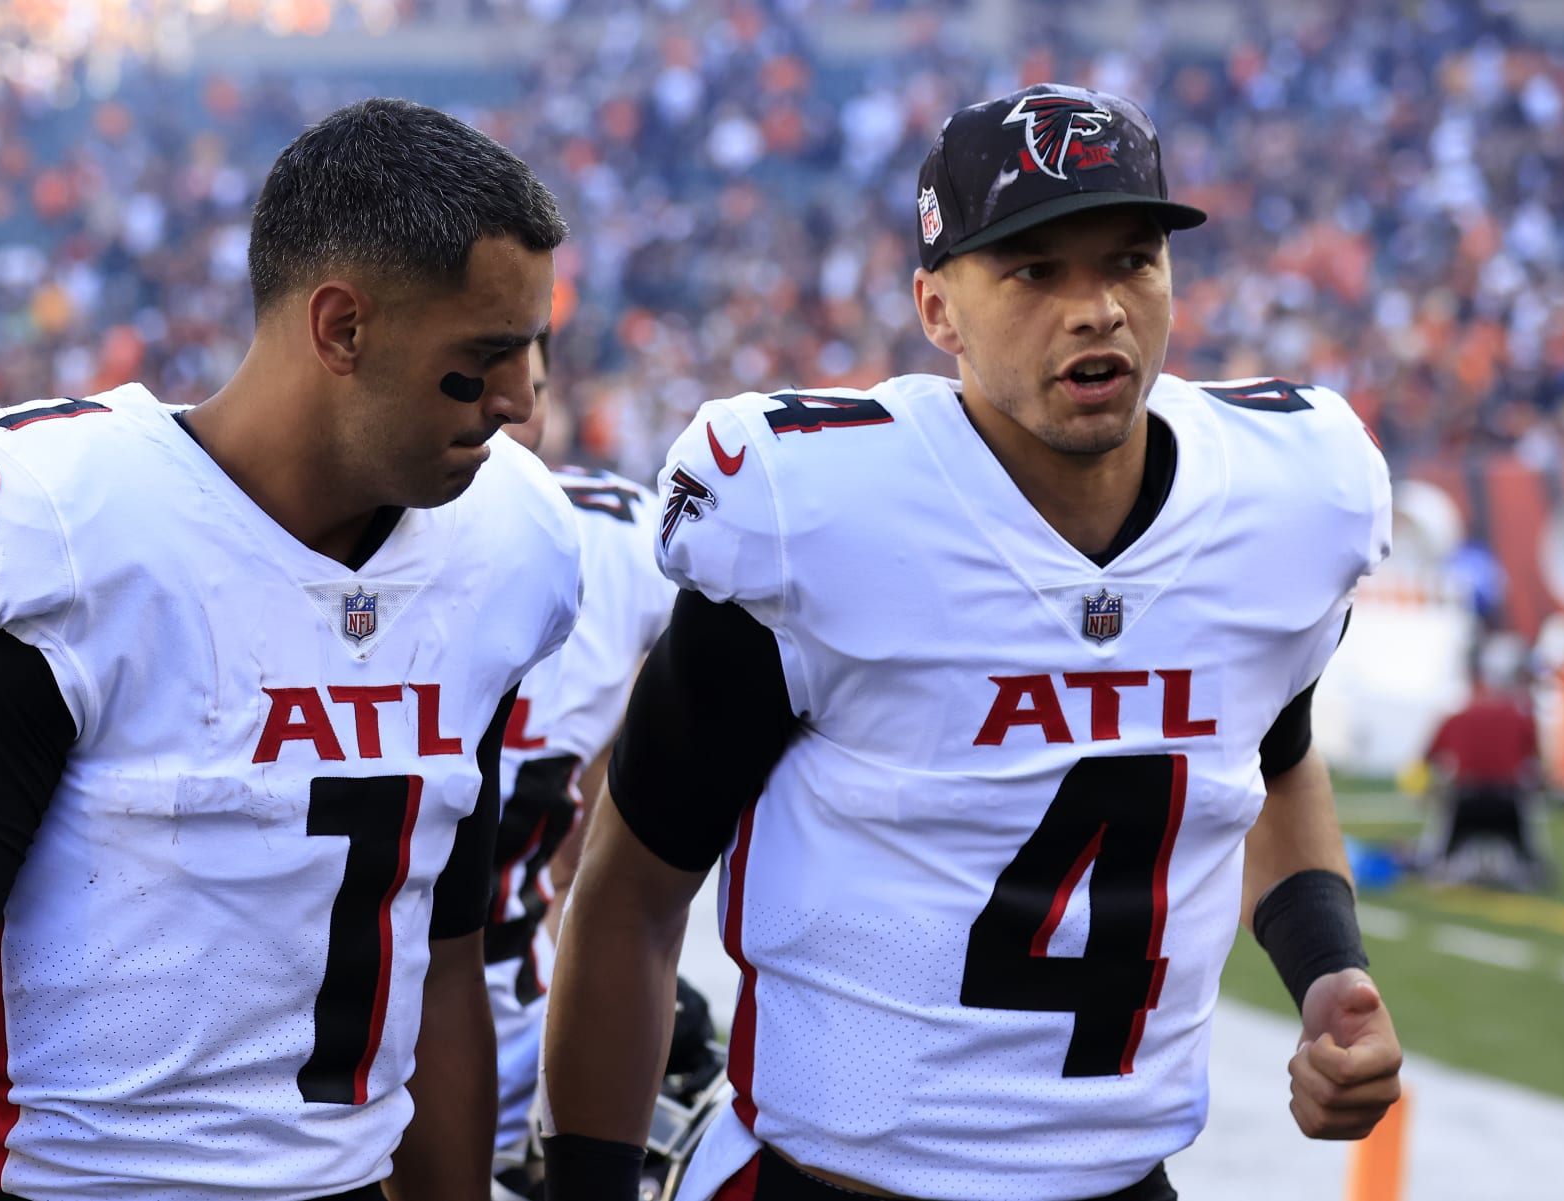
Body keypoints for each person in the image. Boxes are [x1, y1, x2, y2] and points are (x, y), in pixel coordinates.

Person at [540, 83, 1404, 1201]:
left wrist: (1329, 971)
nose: (1097, 309)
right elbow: (629, 897)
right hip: (835, 1183)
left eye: (1131, 261)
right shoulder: (819, 516)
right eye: (1036, 271)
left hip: (1123, 1181)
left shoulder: (1286, 498)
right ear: (938, 309)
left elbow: (1273, 757)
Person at [0, 97, 581, 1201]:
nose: (517, 401)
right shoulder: (74, 536)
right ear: (341, 328)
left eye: (533, 348)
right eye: (483, 355)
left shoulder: (506, 546)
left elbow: (441, 965)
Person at [484, 331, 679, 1197]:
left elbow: (595, 843)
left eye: (528, 387)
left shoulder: (614, 548)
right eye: (472, 381)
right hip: (302, 1075)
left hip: (512, 1041)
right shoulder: (310, 545)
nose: (508, 417)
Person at [1419, 633, 1553, 890]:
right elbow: (1538, 768)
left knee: (1438, 850)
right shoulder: (1520, 717)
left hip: (1465, 803)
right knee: (1532, 851)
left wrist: (1429, 791)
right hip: (1507, 804)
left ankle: (1437, 862)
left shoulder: (1456, 716)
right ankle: (1530, 866)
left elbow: (1426, 760)